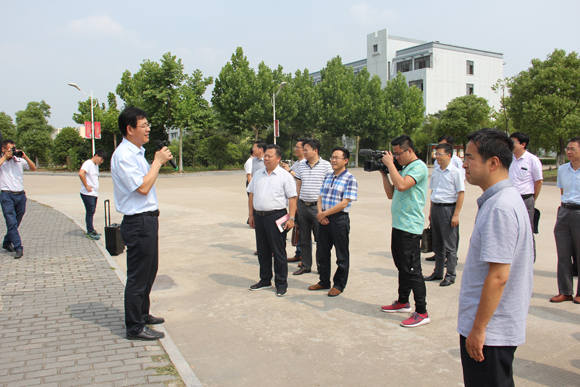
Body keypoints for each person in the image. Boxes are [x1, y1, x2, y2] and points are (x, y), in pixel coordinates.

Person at [458, 128, 534, 387]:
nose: (464, 163)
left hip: (490, 332)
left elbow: (499, 276)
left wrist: (478, 330)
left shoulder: (500, 207)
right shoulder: (504, 199)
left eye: (470, 157)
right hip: (492, 328)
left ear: (493, 162)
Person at [111, 107, 173, 341]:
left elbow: (145, 182)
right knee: (138, 276)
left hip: (148, 219)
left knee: (149, 271)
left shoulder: (136, 152)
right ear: (130, 129)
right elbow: (143, 187)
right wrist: (156, 162)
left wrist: (156, 163)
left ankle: (142, 313)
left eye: (148, 124)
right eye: (143, 125)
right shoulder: (124, 155)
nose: (148, 129)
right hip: (137, 222)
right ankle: (134, 327)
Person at [379, 135, 430, 328]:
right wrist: (384, 172)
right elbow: (392, 193)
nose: (396, 157)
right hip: (399, 225)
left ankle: (422, 311)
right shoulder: (404, 168)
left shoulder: (419, 167)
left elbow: (401, 184)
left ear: (409, 151)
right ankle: (403, 301)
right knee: (402, 267)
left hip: (410, 227)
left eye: (398, 154)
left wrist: (391, 164)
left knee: (412, 270)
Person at [247, 144, 297, 297]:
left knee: (278, 251)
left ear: (278, 158)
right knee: (262, 251)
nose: (266, 158)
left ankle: (281, 284)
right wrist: (251, 215)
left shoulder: (285, 176)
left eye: (269, 156)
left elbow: (292, 198)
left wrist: (292, 218)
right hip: (260, 217)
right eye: (265, 156)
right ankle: (265, 279)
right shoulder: (258, 174)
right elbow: (251, 195)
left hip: (278, 217)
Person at [308, 147, 357, 297]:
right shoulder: (328, 176)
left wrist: (324, 214)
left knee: (341, 255)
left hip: (339, 220)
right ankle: (323, 281)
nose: (333, 160)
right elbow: (320, 196)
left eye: (337, 157)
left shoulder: (350, 179)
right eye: (332, 157)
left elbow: (344, 203)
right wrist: (320, 215)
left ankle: (339, 284)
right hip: (323, 219)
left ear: (346, 160)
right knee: (322, 252)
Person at [424, 143, 465, 286]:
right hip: (436, 208)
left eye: (439, 154)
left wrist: (456, 214)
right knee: (437, 244)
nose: (437, 157)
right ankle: (437, 272)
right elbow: (432, 192)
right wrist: (430, 211)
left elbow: (461, 193)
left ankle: (451, 275)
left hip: (448, 210)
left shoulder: (455, 172)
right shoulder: (436, 171)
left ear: (449, 155)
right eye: (436, 154)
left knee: (449, 245)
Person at [293, 139, 333, 275]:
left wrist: (324, 210)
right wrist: (296, 204)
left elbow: (329, 188)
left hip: (318, 209)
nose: (304, 151)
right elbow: (298, 185)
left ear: (315, 151)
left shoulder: (326, 166)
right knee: (304, 238)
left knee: (320, 239)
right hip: (303, 206)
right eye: (303, 149)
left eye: (306, 149)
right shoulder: (301, 166)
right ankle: (305, 265)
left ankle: (322, 267)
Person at [551, 137, 580, 304]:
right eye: (568, 149)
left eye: (573, 149)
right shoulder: (562, 169)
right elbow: (563, 191)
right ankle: (565, 291)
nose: (569, 151)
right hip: (564, 212)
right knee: (563, 254)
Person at [0, 140, 37, 259]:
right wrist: (5, 157)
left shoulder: (19, 161)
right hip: (7, 195)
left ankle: (6, 242)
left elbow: (33, 168)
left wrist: (25, 156)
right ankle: (18, 247)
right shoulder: (2, 162)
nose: (12, 151)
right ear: (3, 149)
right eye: (10, 149)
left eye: (14, 149)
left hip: (20, 195)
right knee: (11, 222)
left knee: (16, 220)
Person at [508, 132, 543, 236]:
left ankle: (530, 253)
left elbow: (538, 182)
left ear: (523, 144)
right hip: (510, 199)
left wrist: (532, 199)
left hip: (525, 199)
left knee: (526, 233)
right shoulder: (508, 159)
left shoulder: (532, 160)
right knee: (510, 230)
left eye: (513, 142)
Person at [280, 137, 309, 263]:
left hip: (302, 201)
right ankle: (299, 253)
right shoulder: (297, 163)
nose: (295, 149)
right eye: (295, 147)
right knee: (298, 228)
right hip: (295, 200)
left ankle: (304, 256)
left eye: (298, 147)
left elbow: (300, 180)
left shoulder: (306, 164)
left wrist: (289, 170)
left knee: (303, 230)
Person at [79, 149, 107, 240]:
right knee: (90, 211)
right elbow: (81, 173)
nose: (101, 162)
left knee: (92, 211)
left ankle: (92, 229)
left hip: (94, 193)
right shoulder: (88, 163)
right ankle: (90, 231)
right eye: (101, 159)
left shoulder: (95, 165)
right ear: (96, 155)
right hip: (87, 193)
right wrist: (86, 185)